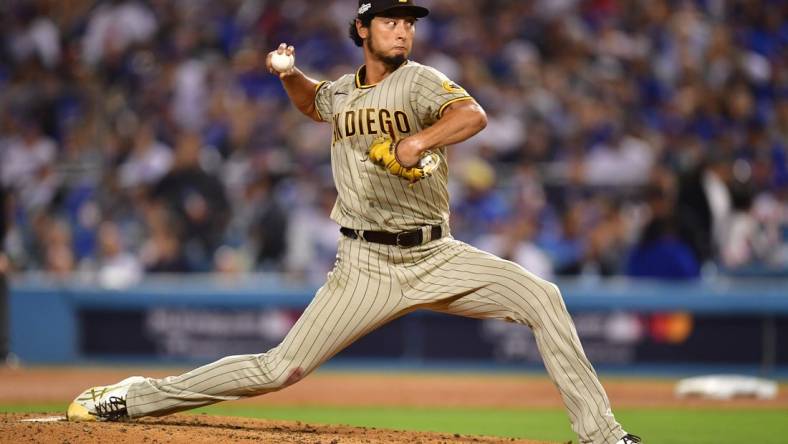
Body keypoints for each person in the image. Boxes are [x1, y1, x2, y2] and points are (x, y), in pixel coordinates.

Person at [67, 2, 640, 443]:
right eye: (390, 20)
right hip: (364, 263)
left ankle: (603, 435)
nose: (403, 30)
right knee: (278, 369)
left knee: (543, 297)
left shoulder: (417, 80)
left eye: (408, 22)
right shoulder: (342, 92)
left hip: (437, 255)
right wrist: (289, 75)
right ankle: (139, 397)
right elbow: (315, 101)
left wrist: (417, 140)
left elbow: (472, 115)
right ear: (362, 29)